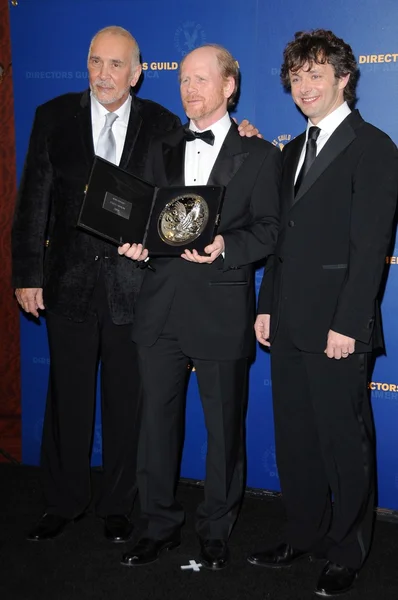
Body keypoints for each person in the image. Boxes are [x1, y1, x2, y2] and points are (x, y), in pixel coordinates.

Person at [12, 26, 258, 543]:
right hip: (69, 286)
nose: (104, 74)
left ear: (138, 72)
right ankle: (62, 501)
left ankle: (118, 506)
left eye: (116, 65)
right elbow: (34, 199)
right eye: (96, 62)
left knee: (130, 405)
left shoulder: (166, 124)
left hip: (137, 287)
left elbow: (205, 176)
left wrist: (246, 137)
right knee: (67, 402)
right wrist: (27, 273)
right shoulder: (53, 117)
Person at [118, 43, 281, 570]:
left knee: (223, 431)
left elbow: (272, 230)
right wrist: (133, 243)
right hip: (160, 306)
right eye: (184, 79)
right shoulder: (159, 146)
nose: (189, 89)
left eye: (201, 79)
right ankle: (157, 525)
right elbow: (139, 215)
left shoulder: (261, 155)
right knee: (155, 428)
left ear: (228, 86)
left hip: (220, 307)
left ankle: (216, 530)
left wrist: (227, 247)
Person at [248, 29, 398, 597]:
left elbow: (370, 249)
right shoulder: (290, 151)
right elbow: (281, 242)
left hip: (338, 326)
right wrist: (266, 307)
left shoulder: (374, 147)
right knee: (296, 441)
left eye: (317, 74)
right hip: (287, 320)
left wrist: (349, 324)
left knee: (344, 443)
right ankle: (303, 533)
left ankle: (348, 550)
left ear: (344, 79)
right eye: (297, 75)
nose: (305, 85)